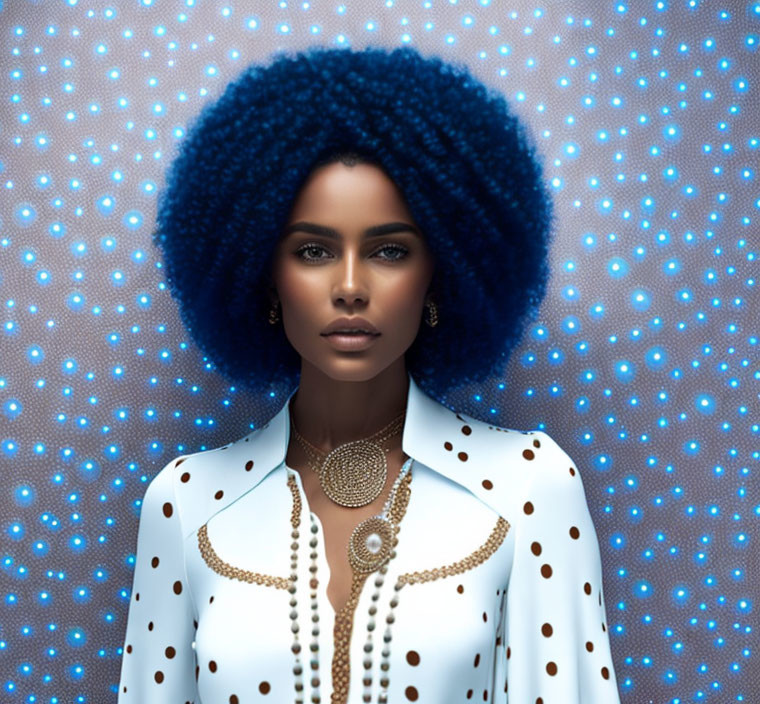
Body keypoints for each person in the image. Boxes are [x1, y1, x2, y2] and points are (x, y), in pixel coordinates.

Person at [117, 46, 621, 703]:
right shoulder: (184, 502)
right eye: (313, 251)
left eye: (389, 250)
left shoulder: (530, 486)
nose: (350, 287)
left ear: (442, 271)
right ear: (262, 275)